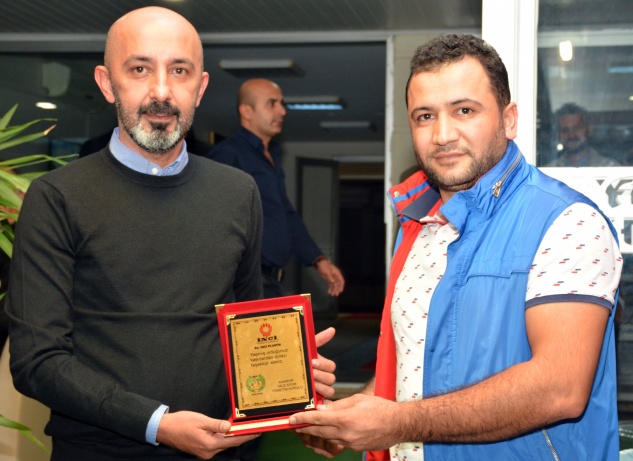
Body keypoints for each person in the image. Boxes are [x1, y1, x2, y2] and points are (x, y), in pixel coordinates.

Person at [6, 7, 335, 461]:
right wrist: (157, 424)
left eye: (179, 71)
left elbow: (245, 327)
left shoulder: (239, 192)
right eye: (139, 69)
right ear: (107, 83)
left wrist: (290, 376)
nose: (161, 92)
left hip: (224, 449)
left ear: (200, 87)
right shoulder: (56, 198)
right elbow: (37, 361)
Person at [290, 34, 623, 460]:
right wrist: (351, 418)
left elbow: (559, 389)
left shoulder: (567, 221)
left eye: (464, 110)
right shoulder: (417, 223)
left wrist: (396, 422)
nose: (443, 134)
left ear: (509, 120)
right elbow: (413, 367)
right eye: (425, 116)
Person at [209, 79, 345, 299]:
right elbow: (214, 222)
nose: (282, 111)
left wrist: (319, 261)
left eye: (282, 103)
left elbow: (286, 215)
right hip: (242, 284)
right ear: (247, 111)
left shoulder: (271, 155)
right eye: (272, 103)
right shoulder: (229, 155)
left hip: (271, 283)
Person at [546, 102, 620, 167]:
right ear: (558, 135)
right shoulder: (548, 171)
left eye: (577, 128)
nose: (571, 135)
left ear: (589, 130)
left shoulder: (611, 168)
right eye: (565, 130)